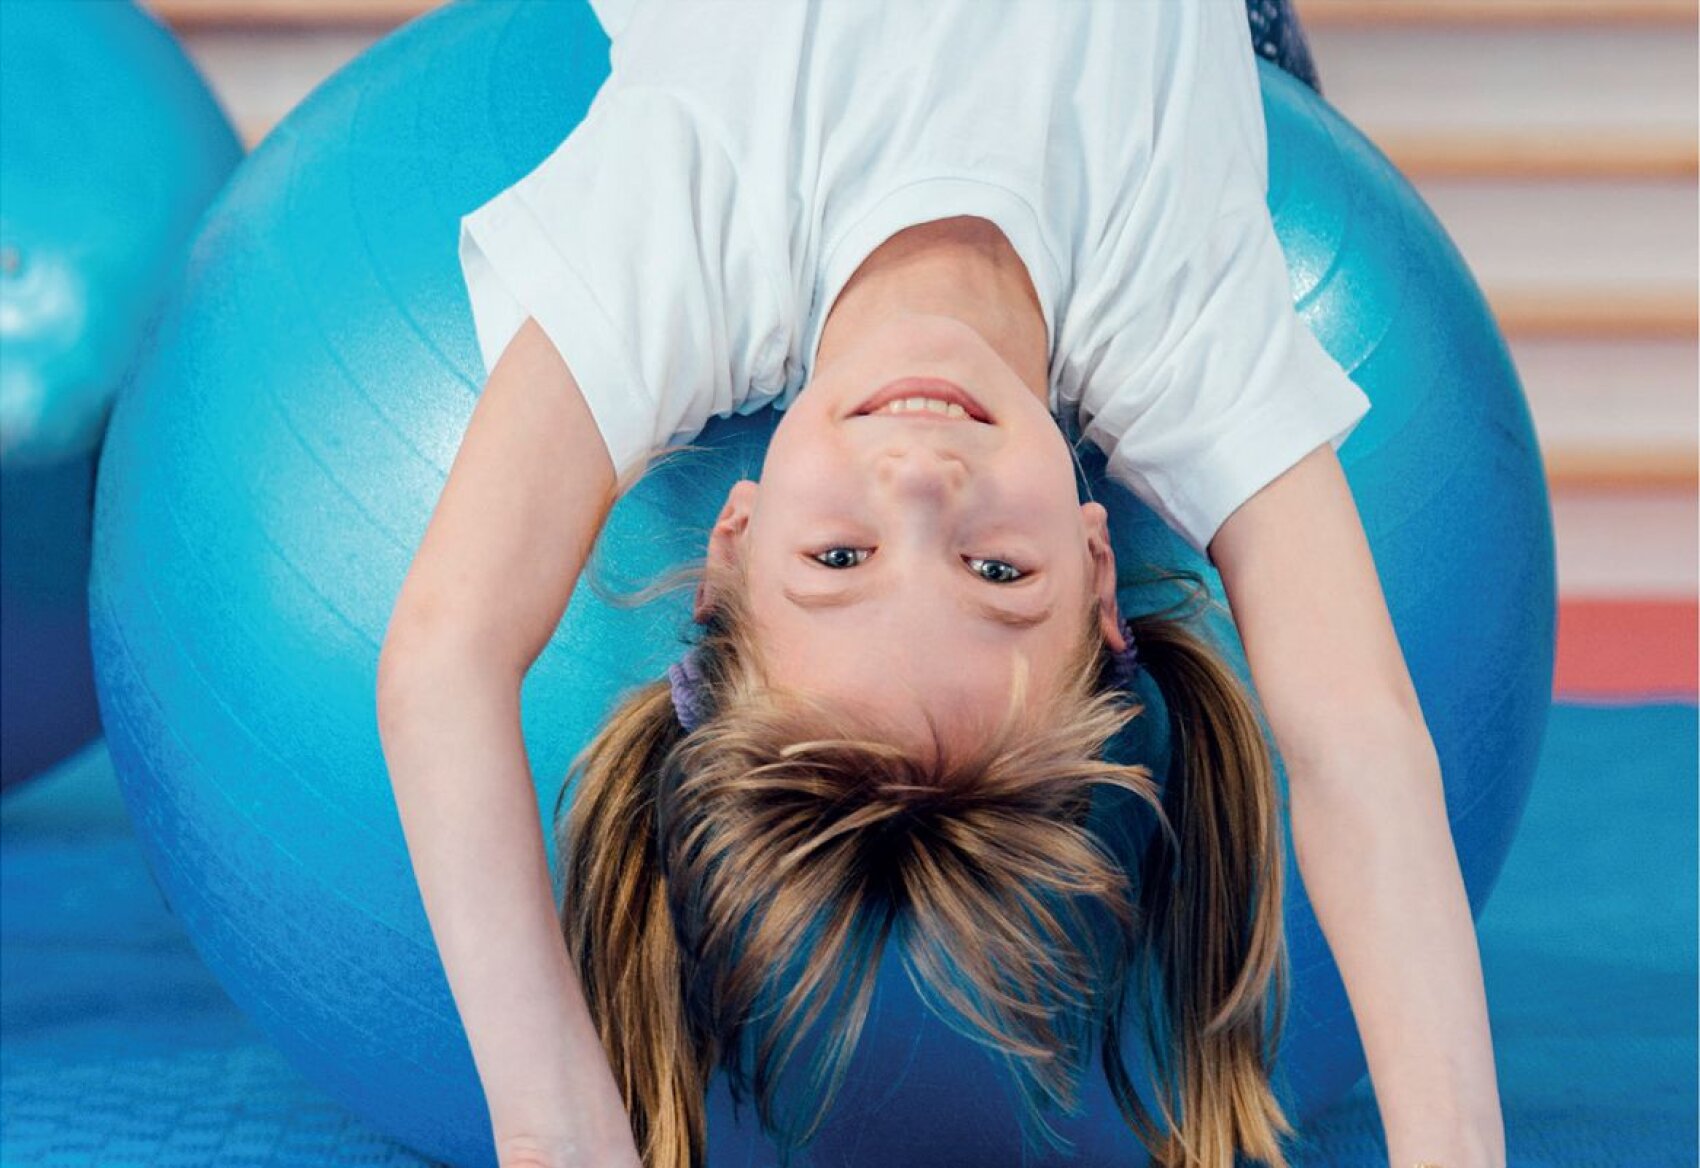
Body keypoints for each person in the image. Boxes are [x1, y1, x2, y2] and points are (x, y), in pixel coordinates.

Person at [377, 3, 1504, 1167]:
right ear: (1099, 564)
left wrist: (551, 1129)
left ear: (733, 542)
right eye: (997, 571)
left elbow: (442, 658)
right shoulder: (1178, 310)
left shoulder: (693, 223)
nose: (918, 481)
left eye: (838, 559)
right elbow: (1353, 735)